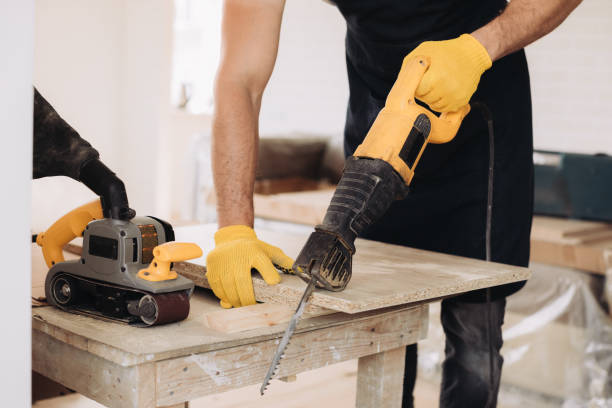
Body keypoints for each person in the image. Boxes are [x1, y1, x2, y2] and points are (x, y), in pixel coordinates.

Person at [205, 0, 583, 406]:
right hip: (383, 117)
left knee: (475, 332)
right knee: (384, 327)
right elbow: (240, 78)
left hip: (480, 121)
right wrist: (234, 230)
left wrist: (479, 49)